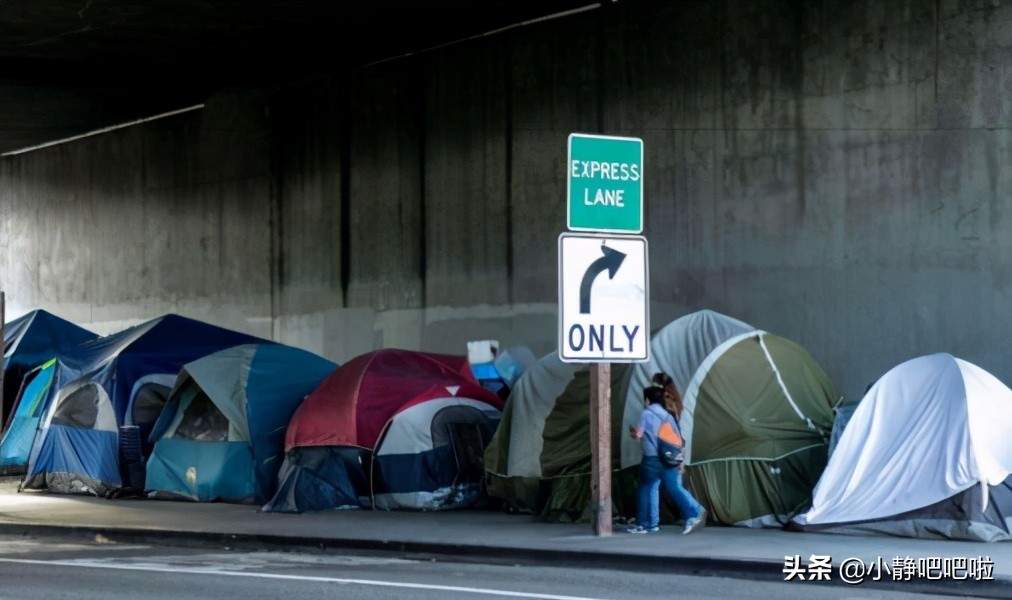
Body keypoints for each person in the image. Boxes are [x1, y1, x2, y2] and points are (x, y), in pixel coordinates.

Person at [628, 384, 707, 535]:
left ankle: (647, 524)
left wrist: (634, 433)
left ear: (647, 399)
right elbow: (678, 439)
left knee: (647, 488)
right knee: (674, 487)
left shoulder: (646, 413)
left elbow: (639, 435)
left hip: (652, 458)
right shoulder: (668, 415)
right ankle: (694, 511)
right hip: (670, 458)